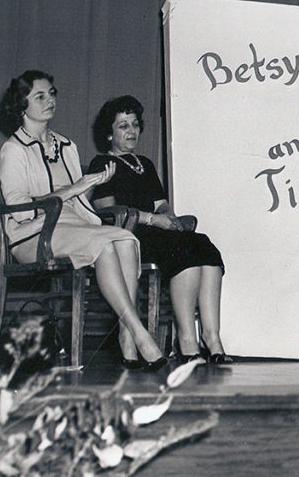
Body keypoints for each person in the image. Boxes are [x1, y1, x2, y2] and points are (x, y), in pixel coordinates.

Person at [0, 71, 167, 370]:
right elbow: (19, 209)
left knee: (125, 239)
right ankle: (140, 333)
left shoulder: (66, 146)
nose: (50, 100)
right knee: (103, 243)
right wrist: (74, 188)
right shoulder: (14, 150)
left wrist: (91, 188)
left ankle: (127, 338)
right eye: (40, 96)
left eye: (52, 93)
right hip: (33, 235)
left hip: (74, 228)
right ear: (21, 104)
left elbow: (82, 204)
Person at [90, 96, 230, 364]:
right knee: (184, 251)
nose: (131, 131)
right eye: (122, 126)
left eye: (134, 124)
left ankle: (212, 338)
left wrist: (168, 216)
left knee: (204, 246)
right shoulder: (102, 164)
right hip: (128, 236)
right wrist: (154, 220)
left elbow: (161, 204)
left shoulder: (144, 163)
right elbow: (107, 210)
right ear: (109, 134)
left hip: (156, 231)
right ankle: (187, 341)